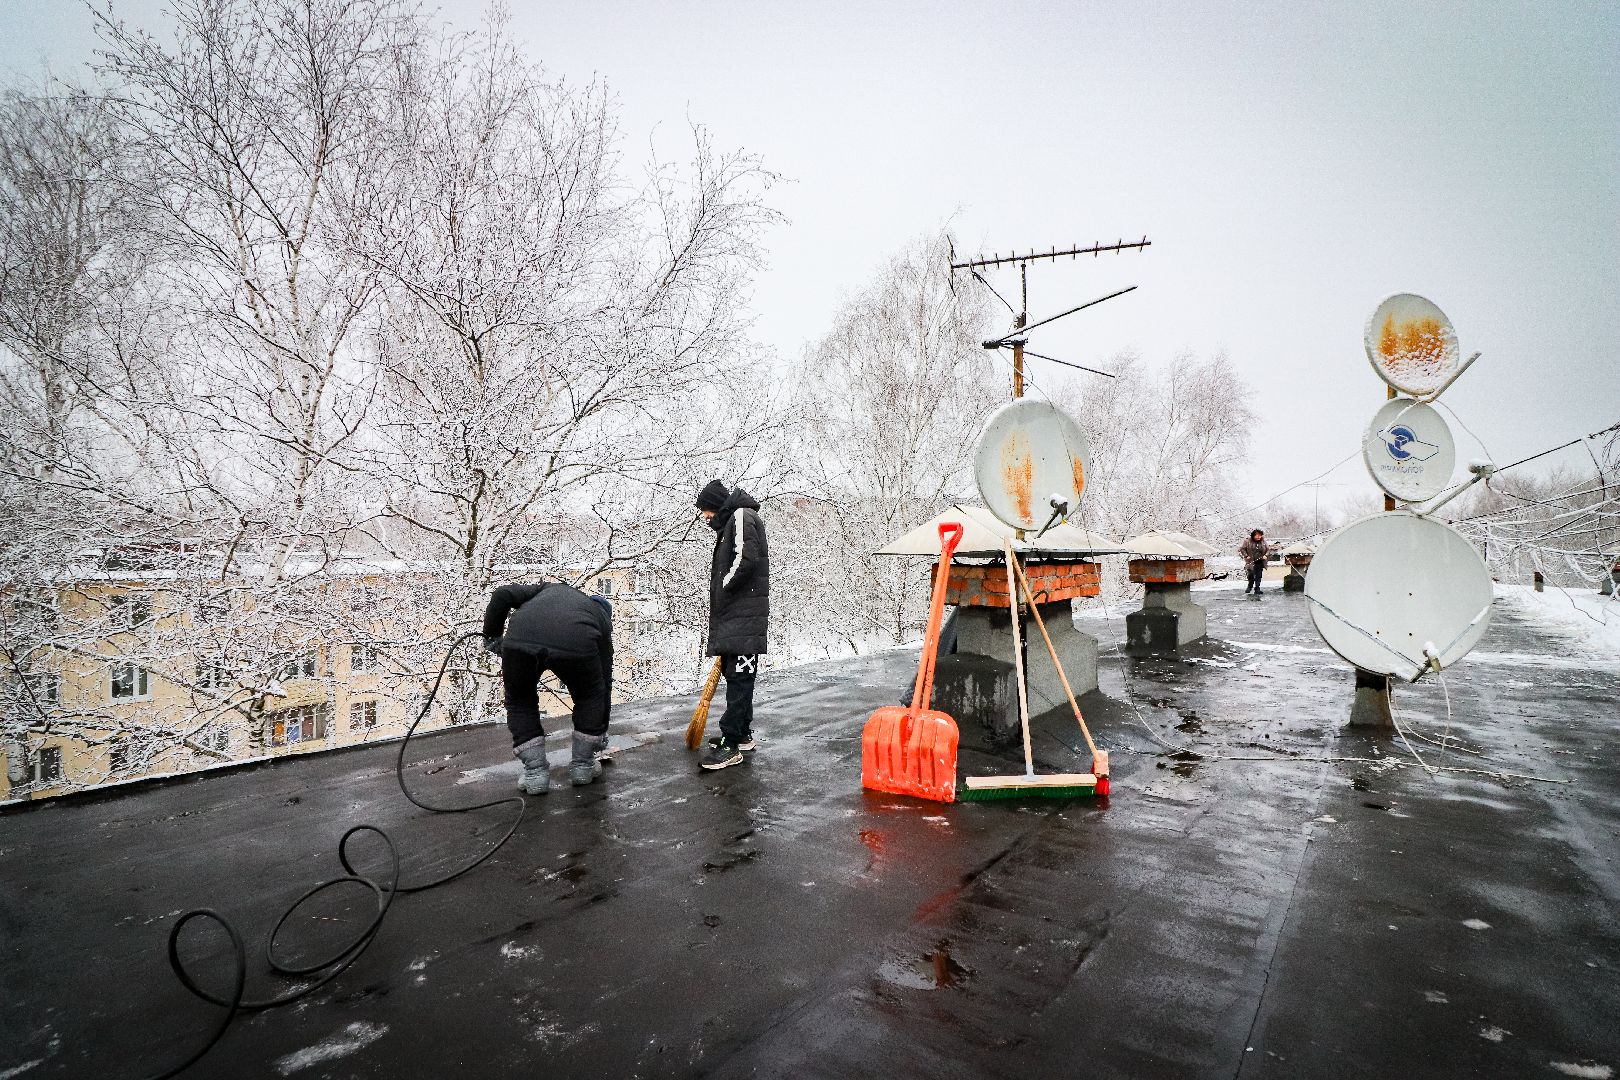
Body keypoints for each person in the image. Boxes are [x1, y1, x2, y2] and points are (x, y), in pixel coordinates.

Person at [483, 581, 614, 794]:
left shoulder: (546, 589)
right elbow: (603, 687)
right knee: (589, 696)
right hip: (575, 640)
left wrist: (492, 635)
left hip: (520, 639)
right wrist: (599, 732)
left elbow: (503, 593)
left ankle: (535, 774)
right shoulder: (600, 619)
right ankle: (583, 766)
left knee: (520, 701)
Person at [694, 479, 770, 771]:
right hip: (740, 618)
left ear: (715, 504)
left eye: (705, 509)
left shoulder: (741, 515)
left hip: (743, 617)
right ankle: (742, 733)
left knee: (739, 679)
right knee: (738, 676)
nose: (705, 516)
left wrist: (724, 587)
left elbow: (746, 559)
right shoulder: (735, 519)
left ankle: (731, 745)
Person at [1239, 529, 1271, 595]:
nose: (1259, 537)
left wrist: (1266, 555)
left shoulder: (1263, 541)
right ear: (1253, 535)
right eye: (1257, 535)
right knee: (1251, 575)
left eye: (1260, 535)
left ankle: (1257, 588)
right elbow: (1242, 549)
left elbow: (1268, 549)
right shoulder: (1247, 541)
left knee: (1258, 575)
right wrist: (1246, 556)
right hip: (1251, 561)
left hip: (1260, 561)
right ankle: (1250, 586)